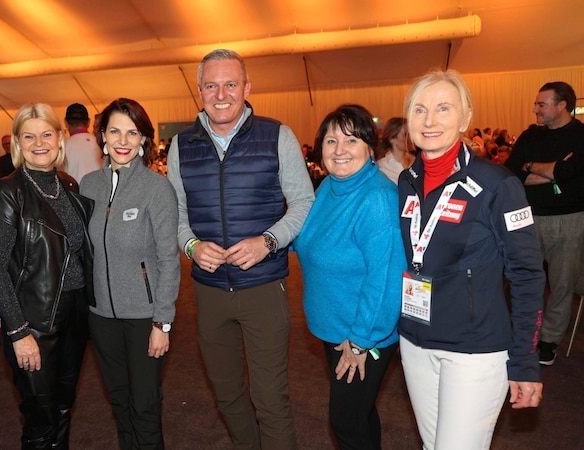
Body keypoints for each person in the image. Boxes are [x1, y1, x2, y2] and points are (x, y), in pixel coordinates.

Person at [166, 49, 314, 449]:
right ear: (199, 92)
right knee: (228, 394)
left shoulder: (277, 135)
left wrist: (268, 241)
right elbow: (176, 213)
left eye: (230, 84)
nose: (221, 94)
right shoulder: (181, 145)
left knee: (270, 398)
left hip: (264, 288)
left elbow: (304, 203)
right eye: (211, 85)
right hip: (209, 290)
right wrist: (192, 245)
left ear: (247, 88)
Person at [397, 69, 544, 449]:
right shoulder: (406, 181)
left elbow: (528, 274)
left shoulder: (498, 184)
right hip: (415, 342)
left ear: (465, 118)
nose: (430, 120)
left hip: (475, 350)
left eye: (444, 108)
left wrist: (525, 361)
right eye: (420, 109)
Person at [0, 103, 93, 449]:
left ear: (60, 138)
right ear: (17, 143)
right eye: (29, 136)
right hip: (34, 322)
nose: (39, 142)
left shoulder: (68, 184)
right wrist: (18, 332)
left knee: (63, 406)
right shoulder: (7, 191)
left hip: (74, 313)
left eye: (47, 134)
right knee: (40, 417)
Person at [294, 104, 403, 449]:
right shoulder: (330, 186)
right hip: (336, 327)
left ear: (372, 149)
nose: (339, 150)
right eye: (330, 141)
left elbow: (384, 280)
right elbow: (312, 239)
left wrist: (360, 340)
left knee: (345, 422)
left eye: (351, 140)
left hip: (361, 334)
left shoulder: (377, 198)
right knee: (360, 414)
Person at [80, 98, 180, 449]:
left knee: (145, 405)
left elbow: (169, 259)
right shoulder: (88, 186)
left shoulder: (157, 189)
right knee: (120, 402)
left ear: (143, 140)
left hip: (145, 318)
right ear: (102, 137)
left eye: (132, 132)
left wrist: (161, 323)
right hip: (101, 317)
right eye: (115, 131)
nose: (123, 140)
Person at [504, 81, 584, 366]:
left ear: (562, 105)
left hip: (569, 219)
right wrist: (551, 172)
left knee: (561, 284)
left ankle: (548, 341)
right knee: (523, 279)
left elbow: (574, 173)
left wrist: (532, 167)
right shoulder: (530, 135)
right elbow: (512, 171)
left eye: (542, 104)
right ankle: (522, 332)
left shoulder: (581, 135)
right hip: (527, 217)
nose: (534, 109)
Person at [63, 103, 102, 183]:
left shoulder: (62, 146)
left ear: (66, 123)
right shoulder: (100, 143)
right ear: (88, 122)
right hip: (99, 192)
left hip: (75, 193)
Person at [376, 117, 414, 183]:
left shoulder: (416, 162)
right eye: (405, 135)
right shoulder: (382, 167)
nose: (410, 138)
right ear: (392, 140)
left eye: (410, 134)